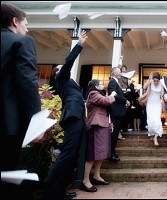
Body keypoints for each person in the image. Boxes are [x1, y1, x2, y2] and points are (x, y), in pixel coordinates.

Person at [1, 3, 41, 198]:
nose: (27, 28)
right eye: (25, 23)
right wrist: (37, 125)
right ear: (15, 21)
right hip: (6, 125)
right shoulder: (22, 42)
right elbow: (28, 83)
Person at [43, 30, 88, 199]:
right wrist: (79, 44)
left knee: (71, 155)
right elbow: (68, 62)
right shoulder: (62, 79)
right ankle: (50, 192)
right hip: (72, 117)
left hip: (78, 117)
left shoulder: (69, 83)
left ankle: (59, 190)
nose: (64, 69)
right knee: (68, 154)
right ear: (57, 73)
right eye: (60, 69)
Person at [80, 80, 116, 193]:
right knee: (92, 154)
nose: (102, 85)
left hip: (103, 125)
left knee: (101, 153)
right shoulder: (93, 94)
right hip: (95, 126)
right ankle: (85, 180)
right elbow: (106, 101)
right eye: (100, 84)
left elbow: (105, 111)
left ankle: (96, 176)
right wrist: (112, 95)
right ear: (96, 86)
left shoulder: (98, 94)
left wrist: (110, 124)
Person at [108, 67, 130, 162]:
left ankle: (112, 152)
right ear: (114, 73)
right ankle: (111, 154)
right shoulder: (112, 82)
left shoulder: (116, 82)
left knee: (116, 133)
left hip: (118, 111)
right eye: (119, 71)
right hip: (116, 112)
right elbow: (114, 95)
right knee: (114, 133)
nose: (121, 73)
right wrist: (125, 100)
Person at [142, 72, 164, 146]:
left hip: (157, 104)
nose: (156, 82)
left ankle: (156, 137)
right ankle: (151, 133)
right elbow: (145, 89)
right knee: (150, 120)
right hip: (150, 103)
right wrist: (149, 79)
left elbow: (162, 95)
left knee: (157, 120)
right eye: (154, 80)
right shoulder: (150, 82)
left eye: (157, 81)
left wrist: (162, 104)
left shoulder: (162, 83)